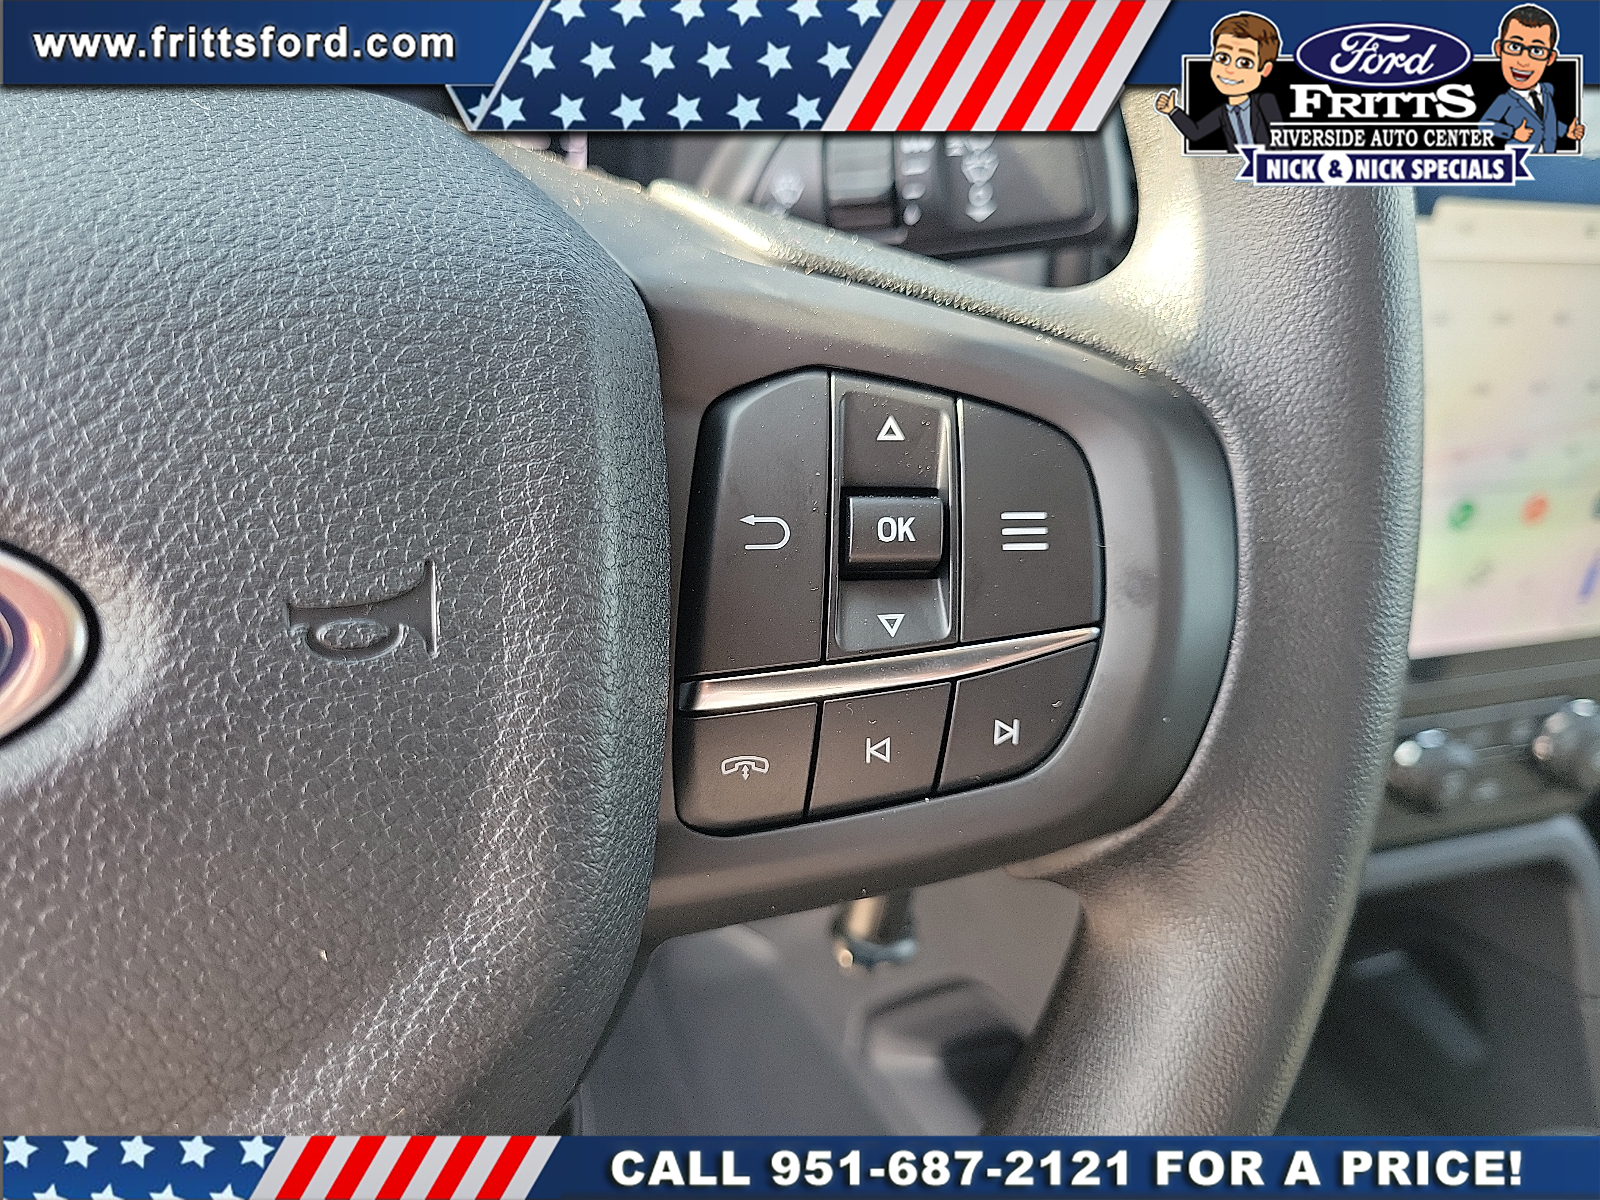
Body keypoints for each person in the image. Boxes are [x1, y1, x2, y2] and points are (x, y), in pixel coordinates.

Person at [1154, 12, 1282, 153]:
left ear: (1265, 69)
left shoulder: (1265, 101)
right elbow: (1196, 132)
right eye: (1222, 58)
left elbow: (1280, 137)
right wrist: (1172, 111)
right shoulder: (1222, 113)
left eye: (1244, 62)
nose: (1229, 70)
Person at [1481, 4, 1584, 151]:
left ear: (1550, 58)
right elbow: (1484, 125)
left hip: (1548, 158)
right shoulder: (1505, 100)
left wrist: (1567, 131)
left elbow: (1546, 122)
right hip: (1517, 159)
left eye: (1537, 50)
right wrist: (1513, 133)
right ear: (1499, 49)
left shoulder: (1546, 92)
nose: (1523, 61)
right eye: (1514, 47)